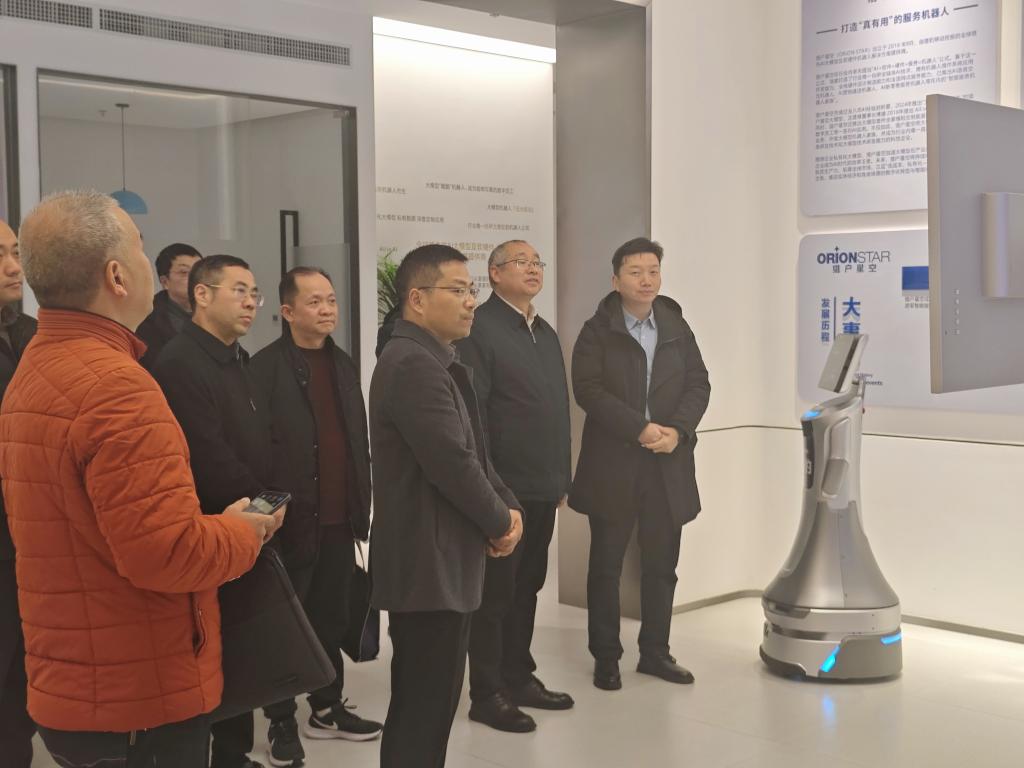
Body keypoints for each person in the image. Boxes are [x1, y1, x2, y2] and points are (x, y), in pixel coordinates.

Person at [0, 190, 280, 768]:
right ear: (116, 275)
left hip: (78, 677)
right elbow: (166, 554)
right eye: (140, 248)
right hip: (137, 697)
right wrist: (242, 530)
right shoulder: (116, 385)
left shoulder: (39, 360)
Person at [370, 244, 524, 768]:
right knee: (422, 710)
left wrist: (506, 507)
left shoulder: (434, 360)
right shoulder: (412, 364)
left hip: (441, 560)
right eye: (457, 290)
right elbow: (452, 465)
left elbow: (474, 451)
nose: (470, 301)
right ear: (417, 298)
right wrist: (500, 521)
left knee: (432, 706)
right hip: (426, 565)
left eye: (470, 290)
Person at [251, 266, 382, 766]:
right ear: (287, 312)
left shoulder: (343, 364)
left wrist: (362, 509)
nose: (327, 309)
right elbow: (257, 454)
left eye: (330, 300)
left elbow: (356, 442)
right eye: (314, 302)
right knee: (285, 625)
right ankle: (281, 720)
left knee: (331, 617)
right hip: (289, 525)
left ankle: (326, 707)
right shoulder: (263, 369)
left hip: (339, 522)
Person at [570, 236, 710, 691]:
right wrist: (639, 428)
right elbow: (588, 389)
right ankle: (606, 656)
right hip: (614, 463)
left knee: (662, 565)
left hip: (666, 463)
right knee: (606, 567)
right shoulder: (598, 329)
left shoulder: (675, 324)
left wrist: (678, 431)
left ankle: (655, 652)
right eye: (635, 272)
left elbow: (699, 383)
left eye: (653, 271)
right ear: (616, 280)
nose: (646, 280)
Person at [152, 254, 275, 768]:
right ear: (201, 295)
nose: (250, 303)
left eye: (254, 293)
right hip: (209, 531)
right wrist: (261, 504)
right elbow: (207, 455)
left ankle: (233, 754)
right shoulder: (180, 362)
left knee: (240, 647)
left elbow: (261, 441)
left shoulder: (239, 358)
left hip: (247, 525)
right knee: (210, 652)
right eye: (239, 291)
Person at [456, 241, 573, 733]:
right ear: (494, 273)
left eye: (536, 263)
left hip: (544, 485)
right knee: (495, 596)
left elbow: (557, 411)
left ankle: (518, 676)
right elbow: (476, 416)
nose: (532, 269)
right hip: (505, 490)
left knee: (528, 588)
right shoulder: (480, 328)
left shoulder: (543, 331)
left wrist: (562, 477)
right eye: (520, 262)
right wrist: (491, 492)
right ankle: (487, 692)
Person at [0, 218, 36, 768]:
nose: (13, 268)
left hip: (29, 536)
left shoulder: (32, 333)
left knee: (20, 677)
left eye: (15, 252)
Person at [136, 242, 202, 369]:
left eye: (200, 271)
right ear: (165, 282)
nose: (196, 278)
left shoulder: (215, 313)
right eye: (184, 272)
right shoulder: (146, 321)